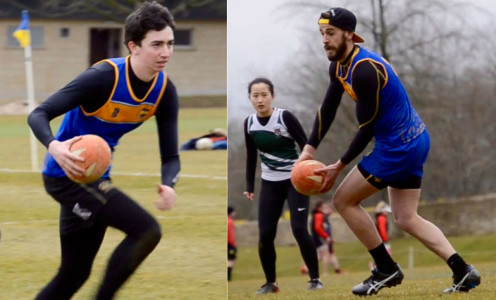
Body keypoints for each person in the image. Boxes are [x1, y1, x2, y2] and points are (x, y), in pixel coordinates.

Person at [297, 7, 481, 296]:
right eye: (322, 34)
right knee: (406, 217)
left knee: (344, 200)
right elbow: (327, 108)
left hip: (399, 145)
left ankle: (386, 269)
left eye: (330, 33)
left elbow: (367, 127)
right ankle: (463, 271)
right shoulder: (339, 66)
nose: (324, 40)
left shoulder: (364, 70)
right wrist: (308, 149)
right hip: (416, 139)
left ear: (348, 34)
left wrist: (339, 165)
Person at [27, 2, 179, 299]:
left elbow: (171, 157)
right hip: (65, 175)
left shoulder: (164, 91)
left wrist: (169, 184)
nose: (165, 52)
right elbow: (38, 114)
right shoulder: (102, 77)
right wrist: (54, 146)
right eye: (156, 44)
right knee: (147, 230)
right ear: (133, 46)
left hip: (94, 177)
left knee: (74, 274)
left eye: (170, 43)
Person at [243, 77, 322, 294]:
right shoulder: (249, 123)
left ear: (272, 96)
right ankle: (271, 283)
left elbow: (306, 144)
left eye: (264, 95)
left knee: (298, 229)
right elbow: (251, 156)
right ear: (250, 98)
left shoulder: (284, 117)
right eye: (255, 95)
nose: (260, 99)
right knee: (265, 235)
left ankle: (315, 279)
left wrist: (306, 169)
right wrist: (250, 185)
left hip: (294, 182)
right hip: (269, 184)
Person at [310, 201, 342, 276]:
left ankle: (306, 269)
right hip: (320, 238)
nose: (327, 209)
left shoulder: (323, 216)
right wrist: (326, 236)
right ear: (319, 208)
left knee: (321, 255)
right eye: (324, 207)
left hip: (321, 238)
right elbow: (317, 228)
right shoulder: (319, 215)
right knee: (325, 255)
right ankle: (325, 272)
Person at [227, 206, 237, 281]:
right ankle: (228, 277)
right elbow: (230, 234)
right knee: (231, 260)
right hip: (230, 245)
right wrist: (233, 244)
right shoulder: (230, 222)